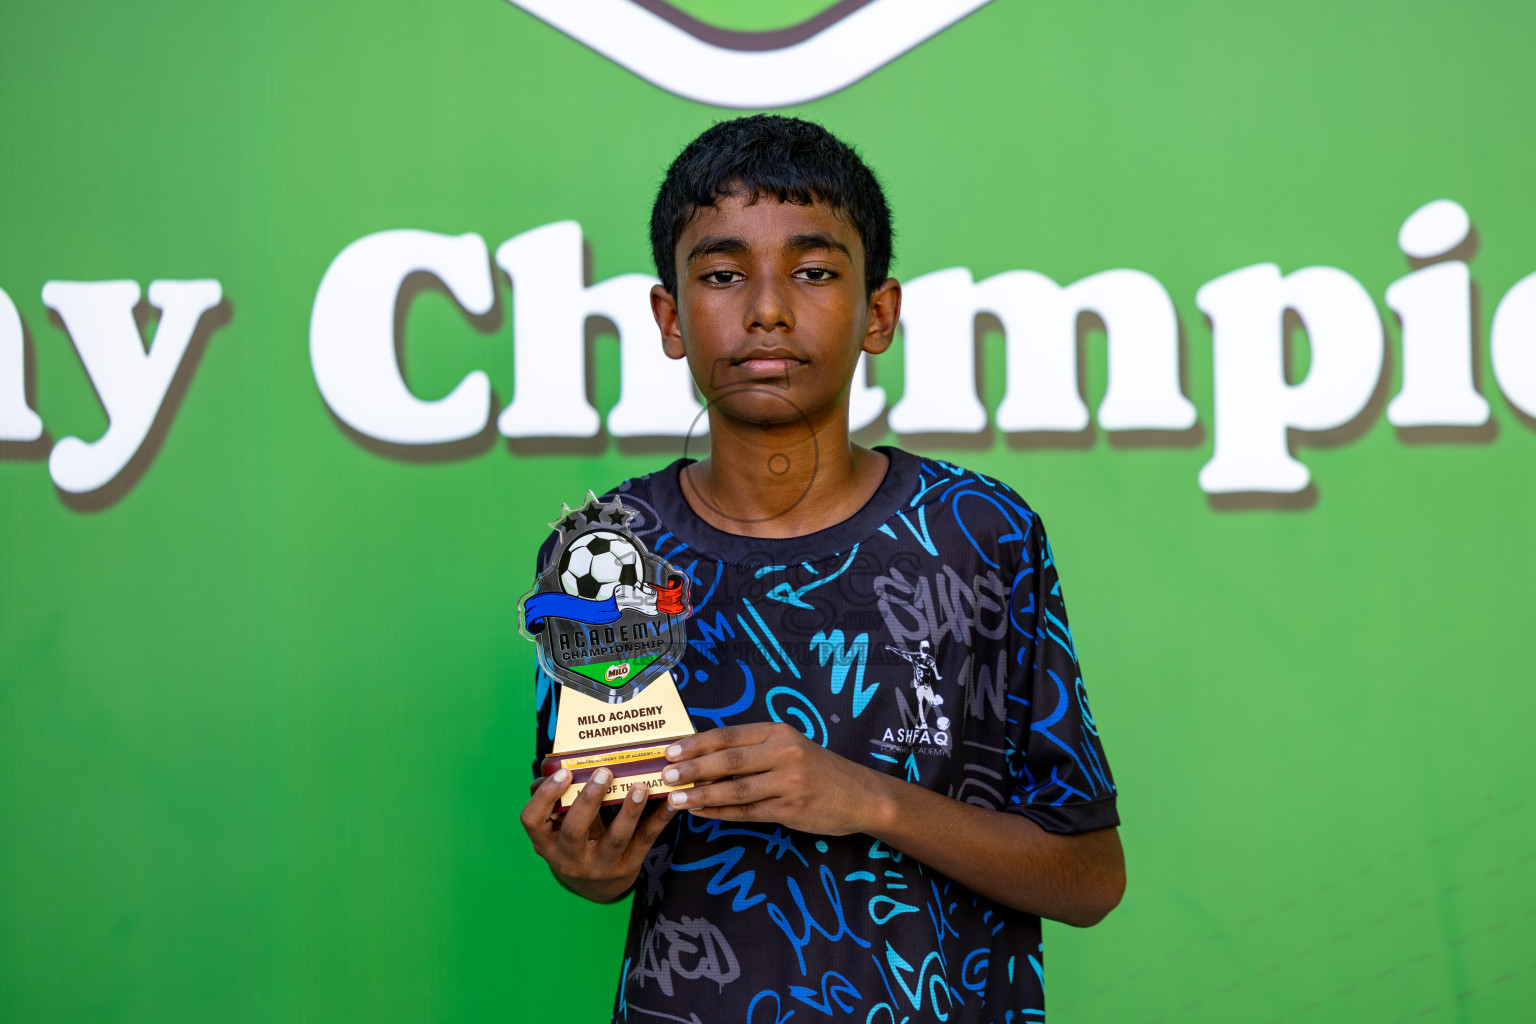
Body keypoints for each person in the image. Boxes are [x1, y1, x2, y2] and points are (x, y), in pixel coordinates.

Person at [520, 114, 1124, 1023]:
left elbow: (1089, 879)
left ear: (878, 313)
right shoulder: (608, 553)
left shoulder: (979, 533)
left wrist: (865, 798)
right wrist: (589, 867)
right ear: (670, 318)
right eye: (722, 275)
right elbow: (602, 851)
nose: (766, 307)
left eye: (813, 272)